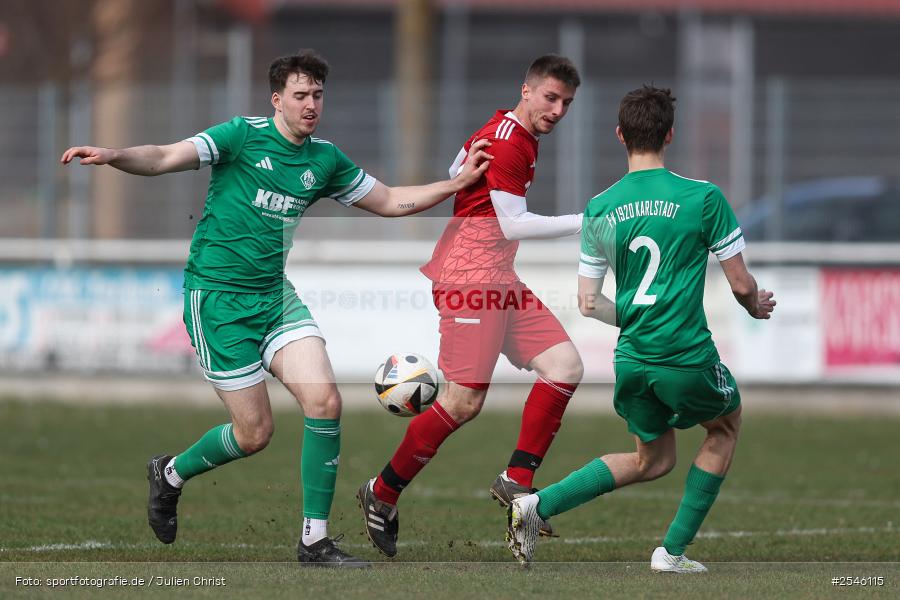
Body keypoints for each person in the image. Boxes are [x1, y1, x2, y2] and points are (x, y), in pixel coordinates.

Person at [60, 49, 492, 568]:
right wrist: (115, 154)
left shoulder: (325, 160)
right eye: (300, 95)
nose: (311, 105)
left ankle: (315, 540)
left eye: (318, 95)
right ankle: (170, 473)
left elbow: (387, 200)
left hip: (274, 296)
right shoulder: (240, 136)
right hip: (217, 300)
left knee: (325, 402)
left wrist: (455, 184)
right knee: (254, 434)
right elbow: (163, 157)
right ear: (276, 99)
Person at [506, 85, 776, 571]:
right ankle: (671, 552)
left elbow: (588, 302)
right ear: (669, 134)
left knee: (653, 460)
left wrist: (637, 318)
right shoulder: (703, 198)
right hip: (684, 353)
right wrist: (755, 304)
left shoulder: (600, 206)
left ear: (620, 135)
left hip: (632, 357)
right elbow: (740, 284)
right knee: (725, 426)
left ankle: (536, 506)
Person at [358, 54, 585, 557]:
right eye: (550, 98)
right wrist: (586, 222)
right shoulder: (509, 141)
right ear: (526, 91)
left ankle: (516, 478)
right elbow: (513, 224)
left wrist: (465, 177)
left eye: (567, 103)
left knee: (565, 366)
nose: (558, 110)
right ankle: (382, 491)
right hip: (470, 280)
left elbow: (456, 165)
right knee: (462, 402)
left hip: (498, 277)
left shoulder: (506, 128)